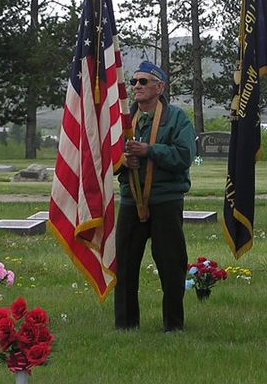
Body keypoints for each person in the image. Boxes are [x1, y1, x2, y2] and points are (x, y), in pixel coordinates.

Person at [114, 60, 196, 332]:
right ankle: (125, 324)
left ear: (159, 87)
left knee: (171, 265)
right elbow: (107, 158)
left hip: (165, 200)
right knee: (125, 265)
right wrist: (124, 162)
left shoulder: (177, 118)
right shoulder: (124, 121)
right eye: (134, 82)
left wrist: (149, 150)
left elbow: (184, 156)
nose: (136, 86)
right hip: (130, 200)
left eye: (143, 82)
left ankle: (173, 325)